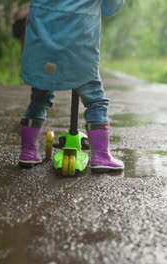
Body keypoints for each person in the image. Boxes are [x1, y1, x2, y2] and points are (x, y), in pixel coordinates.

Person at [18, 0, 125, 172]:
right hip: (78, 49)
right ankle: (101, 156)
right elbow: (111, 8)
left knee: (39, 98)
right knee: (95, 100)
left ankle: (28, 152)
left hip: (43, 48)